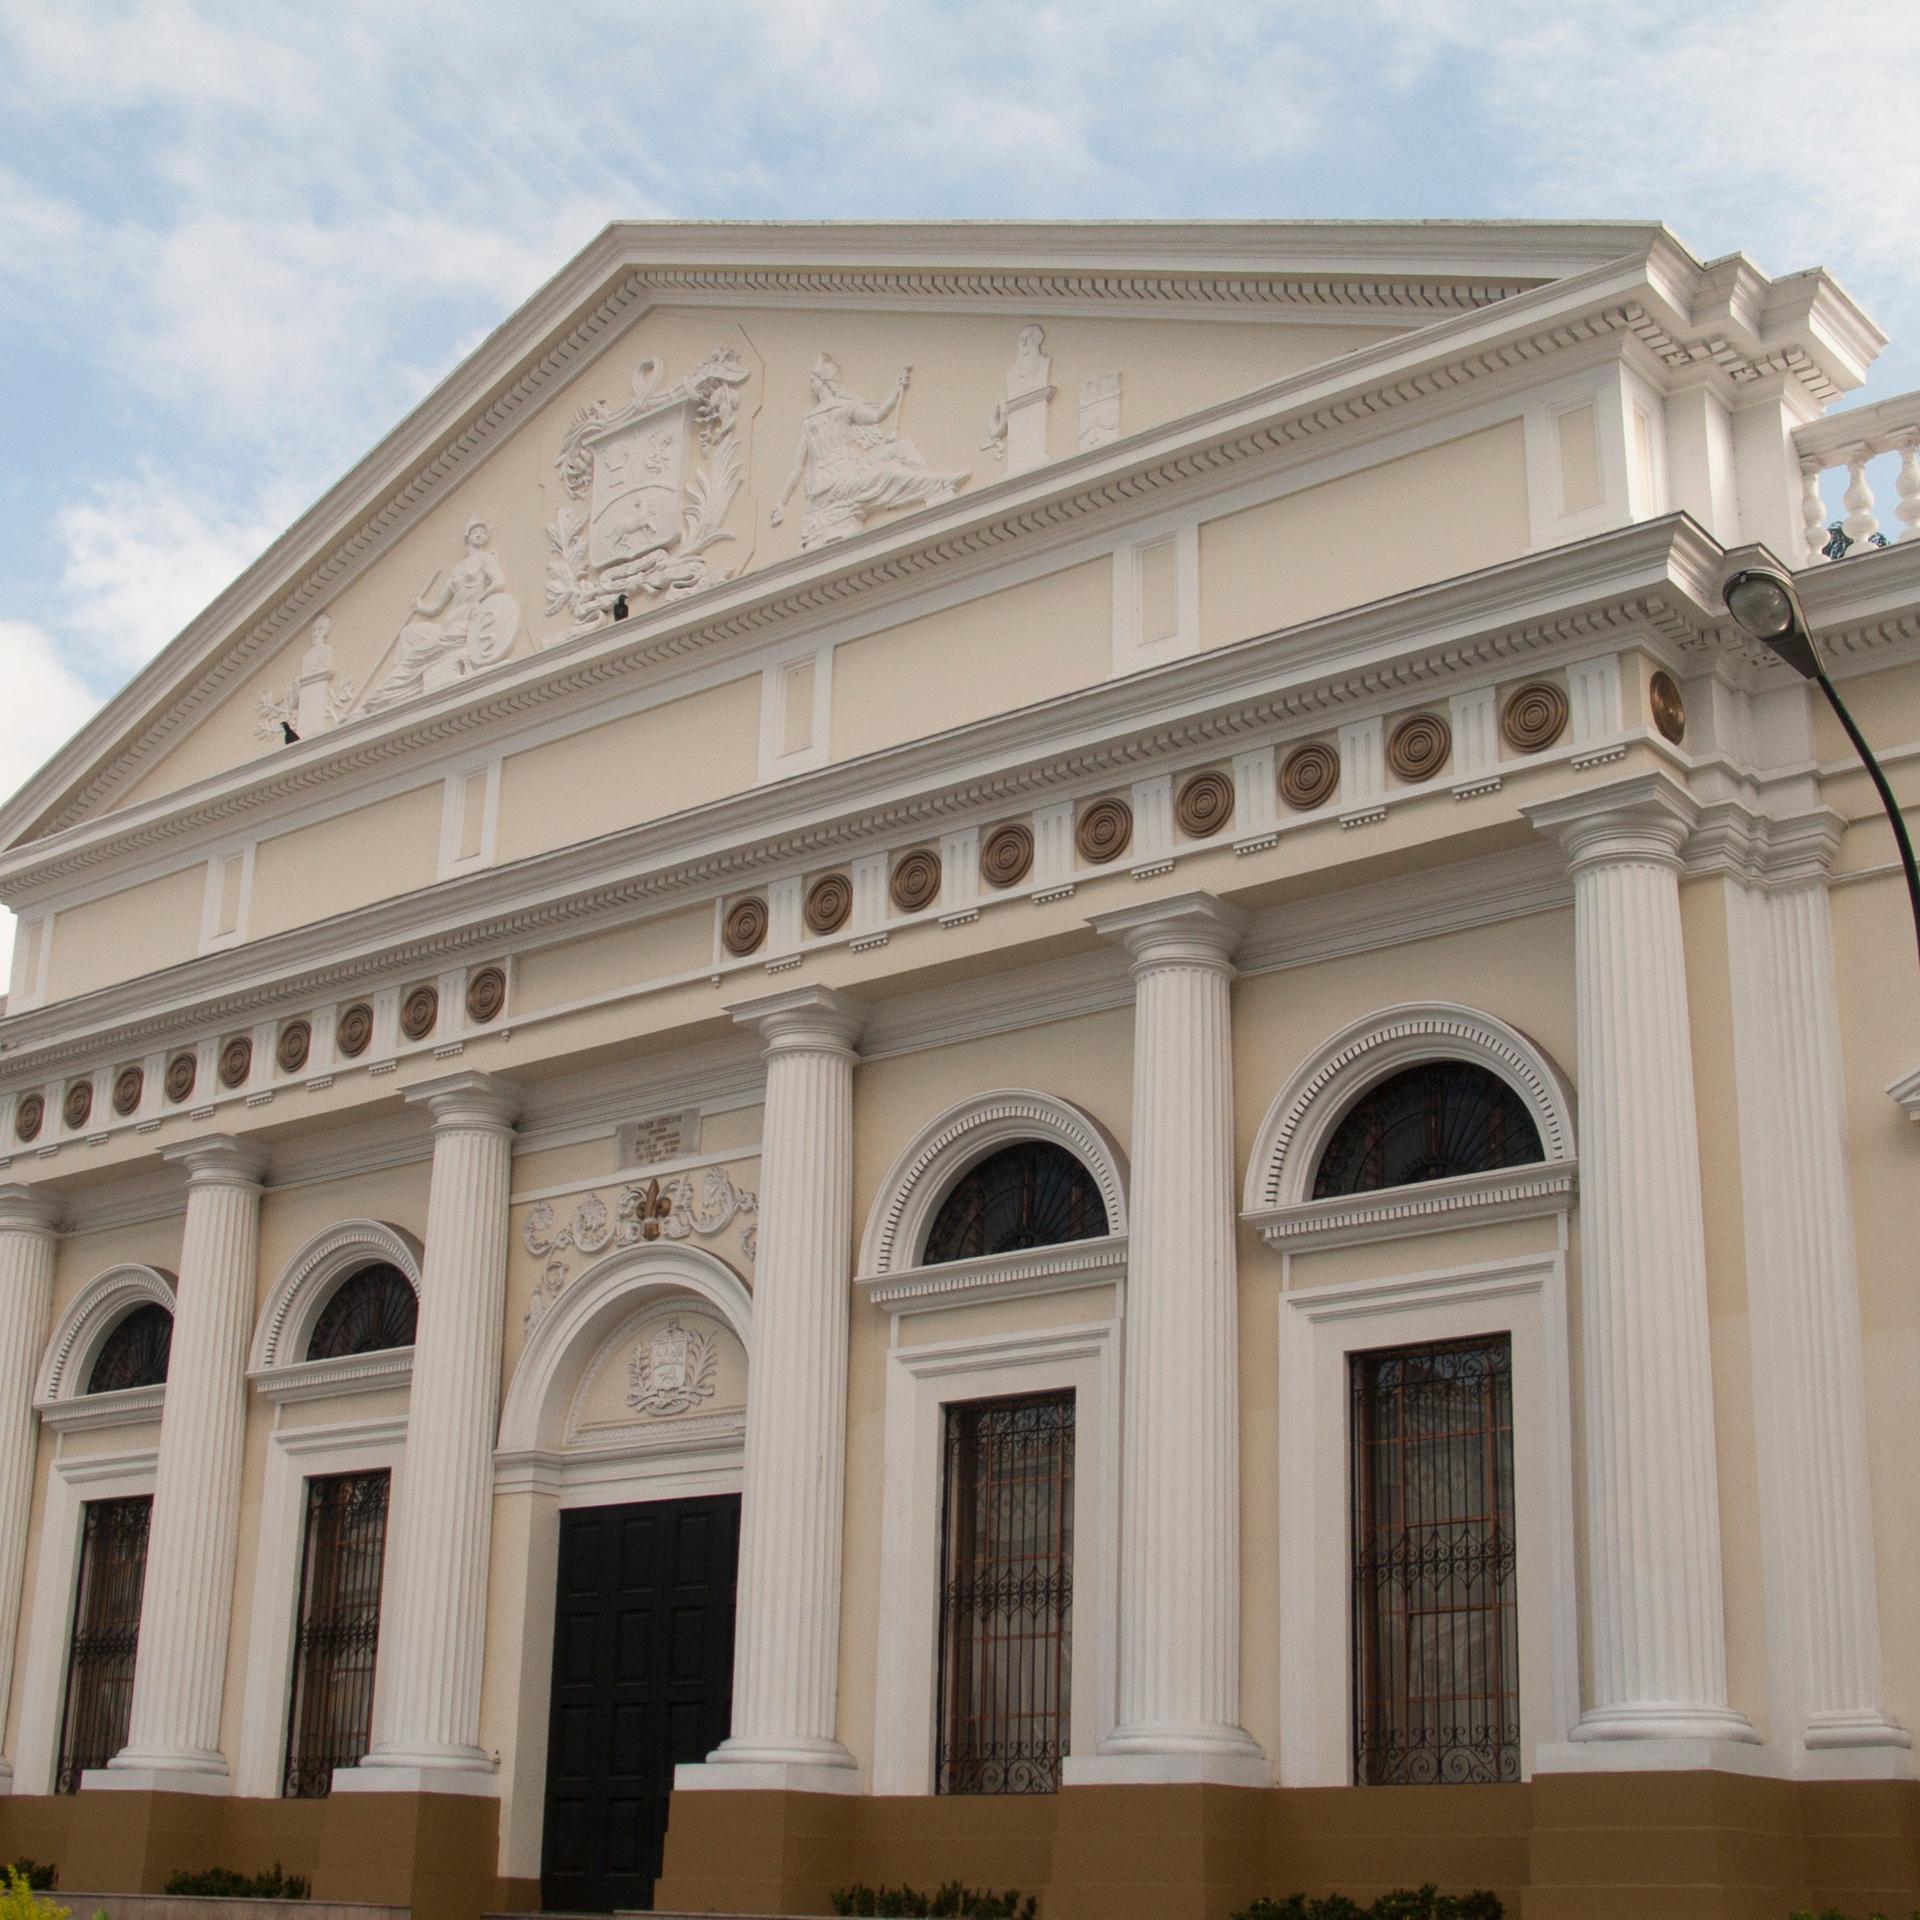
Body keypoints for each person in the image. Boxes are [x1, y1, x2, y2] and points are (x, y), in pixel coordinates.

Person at [771, 356, 967, 549]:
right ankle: (937, 486)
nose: (811, 386)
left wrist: (897, 389)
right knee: (887, 472)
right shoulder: (811, 420)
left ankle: (934, 483)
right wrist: (781, 503)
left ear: (823, 382)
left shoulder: (843, 408)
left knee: (902, 447)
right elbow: (798, 467)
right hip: (830, 486)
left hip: (850, 471)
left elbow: (877, 416)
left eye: (813, 380)